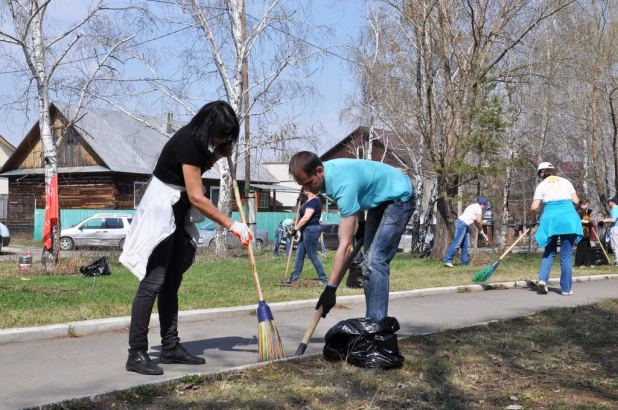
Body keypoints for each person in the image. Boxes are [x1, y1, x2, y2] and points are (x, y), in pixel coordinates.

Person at [119, 101, 253, 375]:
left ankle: (170, 347)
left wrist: (217, 155)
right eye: (221, 135)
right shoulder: (188, 142)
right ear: (209, 127)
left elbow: (191, 180)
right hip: (162, 212)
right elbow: (196, 196)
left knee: (171, 282)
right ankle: (136, 353)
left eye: (228, 137)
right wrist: (232, 225)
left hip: (176, 210)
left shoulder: (199, 143)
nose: (223, 140)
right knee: (153, 282)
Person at [288, 151, 415, 321]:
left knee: (375, 261)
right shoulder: (327, 175)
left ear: (319, 170)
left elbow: (345, 245)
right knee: (367, 265)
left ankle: (376, 328)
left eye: (309, 183)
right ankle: (372, 320)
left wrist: (331, 288)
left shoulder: (342, 184)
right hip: (379, 200)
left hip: (399, 197)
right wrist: (362, 223)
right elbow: (360, 192)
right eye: (303, 186)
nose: (307, 190)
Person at [530, 162, 582, 296]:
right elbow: (576, 201)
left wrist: (533, 220)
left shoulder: (541, 185)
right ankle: (566, 289)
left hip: (550, 220)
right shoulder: (566, 181)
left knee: (549, 251)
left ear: (542, 173)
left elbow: (534, 207)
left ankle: (543, 280)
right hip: (569, 219)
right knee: (566, 255)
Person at [283, 190, 328, 284]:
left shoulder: (315, 201)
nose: (304, 190)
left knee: (312, 255)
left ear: (312, 189)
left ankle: (323, 278)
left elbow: (306, 218)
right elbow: (302, 216)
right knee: (299, 255)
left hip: (311, 230)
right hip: (305, 230)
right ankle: (294, 278)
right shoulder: (307, 201)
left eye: (307, 188)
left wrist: (296, 228)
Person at [442, 198, 489, 268]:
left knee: (466, 245)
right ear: (482, 204)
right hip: (462, 224)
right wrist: (482, 223)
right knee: (457, 242)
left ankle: (465, 263)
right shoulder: (478, 208)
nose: (484, 207)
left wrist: (484, 235)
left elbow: (477, 223)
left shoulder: (473, 206)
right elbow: (479, 221)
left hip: (464, 225)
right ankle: (447, 260)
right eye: (484, 206)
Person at [574, 199, 593, 268]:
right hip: (581, 231)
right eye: (587, 205)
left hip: (586, 231)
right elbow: (579, 220)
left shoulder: (585, 211)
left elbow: (586, 218)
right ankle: (579, 263)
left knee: (587, 247)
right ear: (583, 204)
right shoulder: (578, 210)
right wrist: (587, 222)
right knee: (581, 248)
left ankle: (587, 262)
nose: (588, 206)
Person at [601, 196, 618, 265]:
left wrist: (604, 220)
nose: (608, 203)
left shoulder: (615, 208)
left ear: (613, 202)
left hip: (615, 228)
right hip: (613, 227)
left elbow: (613, 220)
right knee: (613, 245)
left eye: (609, 202)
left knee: (615, 245)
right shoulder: (614, 209)